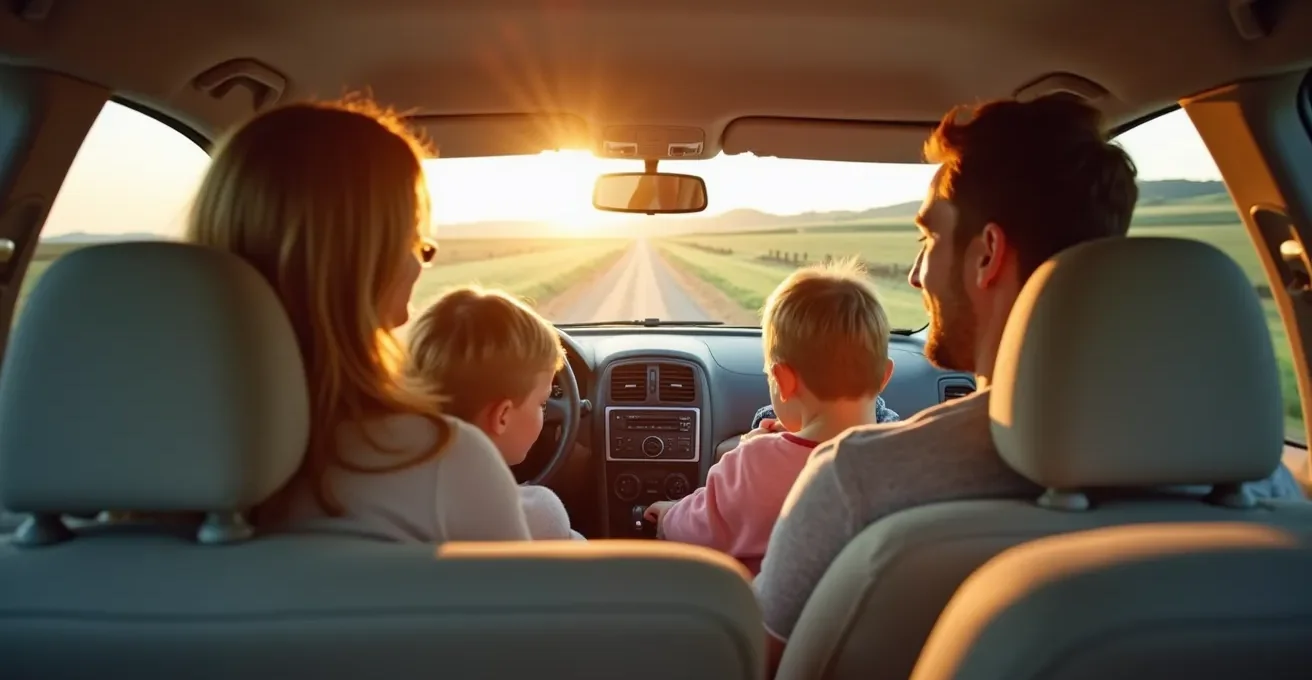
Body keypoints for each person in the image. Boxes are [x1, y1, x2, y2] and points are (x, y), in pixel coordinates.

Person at [753, 93, 1309, 673]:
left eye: (929, 239)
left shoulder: (859, 483)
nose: (917, 272)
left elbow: (759, 664)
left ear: (987, 253)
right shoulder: (1267, 492)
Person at [184, 97, 531, 542]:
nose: (421, 262)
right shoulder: (442, 464)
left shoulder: (125, 470)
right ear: (371, 264)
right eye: (417, 240)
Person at [644, 260, 895, 573]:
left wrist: (667, 514)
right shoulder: (900, 462)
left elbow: (693, 530)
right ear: (885, 375)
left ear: (784, 381)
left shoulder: (754, 463)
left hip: (759, 617)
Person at [405, 285, 583, 540]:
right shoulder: (537, 515)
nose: (543, 411)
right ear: (502, 416)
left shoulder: (385, 494)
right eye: (542, 403)